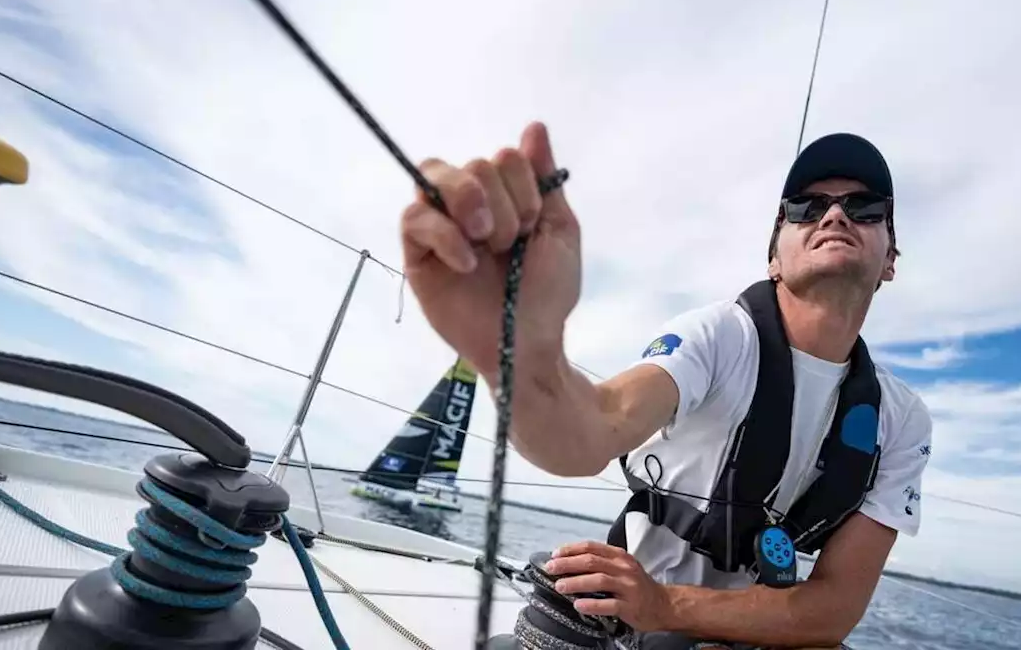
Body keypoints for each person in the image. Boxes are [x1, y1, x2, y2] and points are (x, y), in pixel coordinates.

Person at [399, 122, 933, 649]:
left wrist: (667, 604)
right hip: (631, 624)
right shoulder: (720, 337)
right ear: (774, 257)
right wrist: (520, 356)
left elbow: (835, 606)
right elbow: (594, 429)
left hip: (747, 632)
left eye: (863, 208)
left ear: (889, 258)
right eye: (806, 208)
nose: (834, 214)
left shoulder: (902, 420)